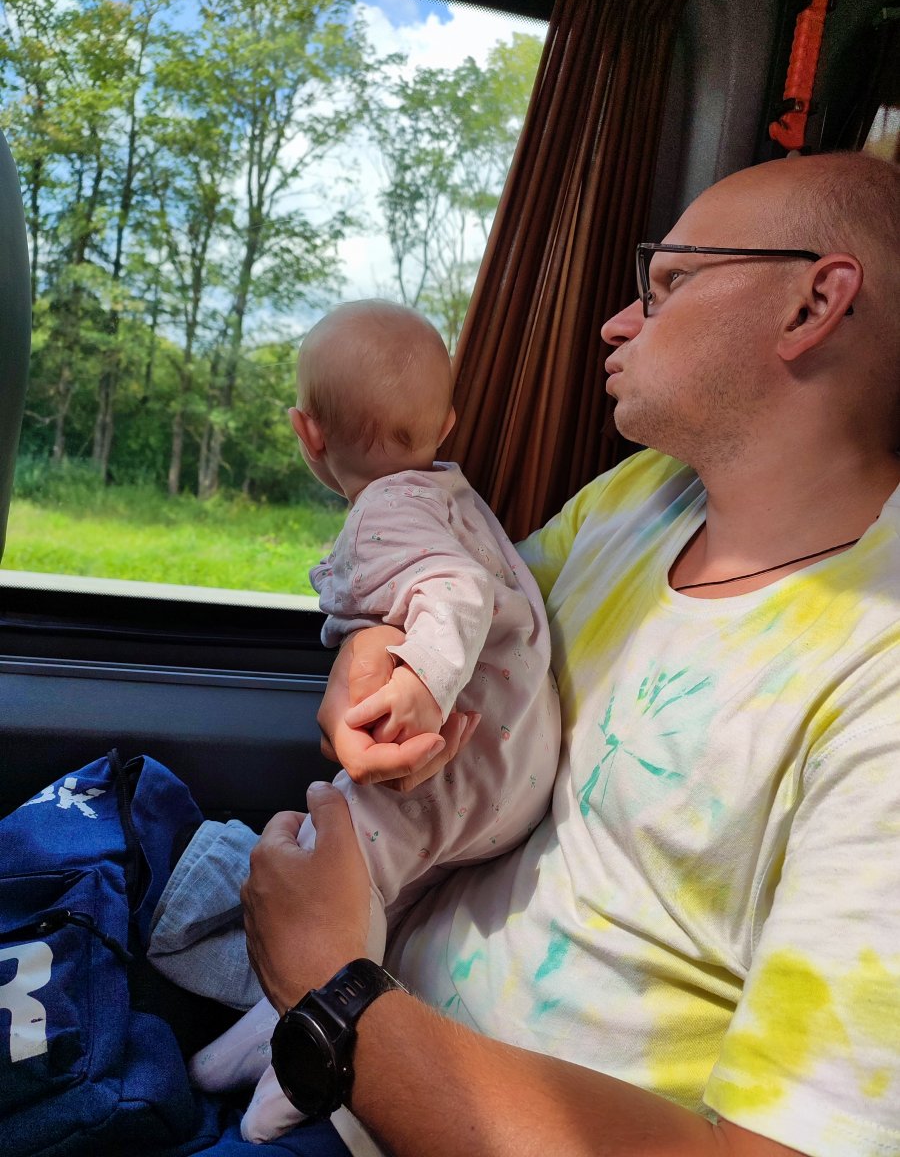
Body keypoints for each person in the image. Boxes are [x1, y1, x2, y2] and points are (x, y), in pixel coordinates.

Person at [240, 151, 900, 1157]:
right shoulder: (642, 499)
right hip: (353, 1052)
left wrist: (329, 992)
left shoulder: (879, 680)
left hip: (361, 1060)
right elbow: (471, 619)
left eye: (669, 283)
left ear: (813, 304)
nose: (619, 322)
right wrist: (379, 647)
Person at [148, 300, 560, 1143]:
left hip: (462, 757)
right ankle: (262, 1034)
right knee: (382, 890)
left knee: (335, 870)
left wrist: (422, 683)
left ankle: (307, 1060)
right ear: (445, 426)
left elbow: (458, 592)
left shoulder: (384, 514)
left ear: (306, 433)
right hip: (517, 761)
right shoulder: (443, 492)